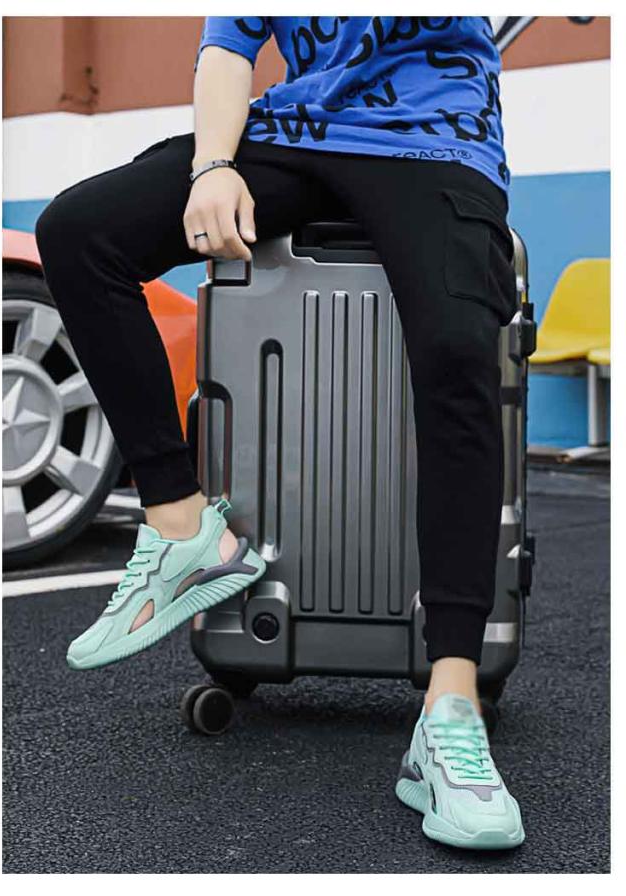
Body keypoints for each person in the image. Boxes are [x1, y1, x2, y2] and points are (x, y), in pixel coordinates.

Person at [36, 16, 524, 850]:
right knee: (79, 232)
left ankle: (449, 709)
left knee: (455, 350)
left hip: (435, 137)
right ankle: (184, 529)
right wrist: (213, 165)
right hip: (296, 130)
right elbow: (229, 46)